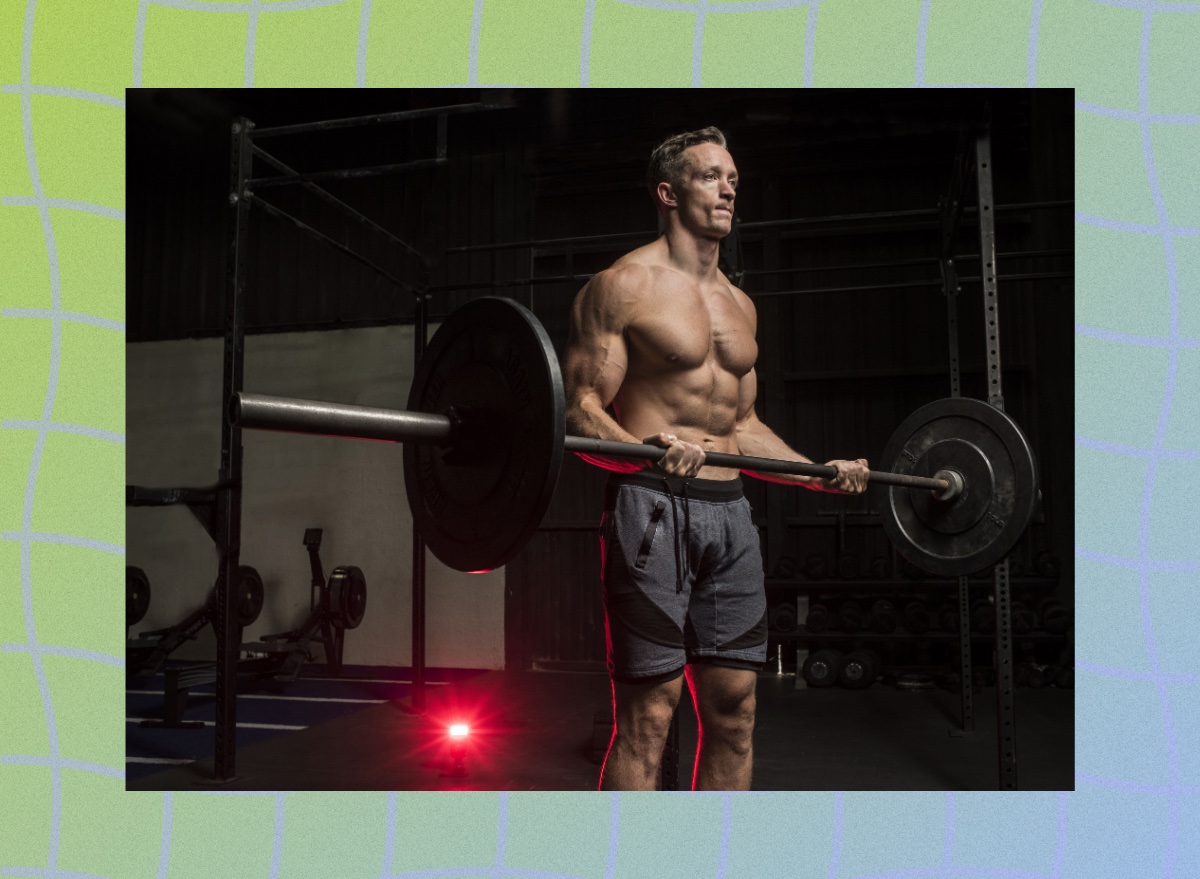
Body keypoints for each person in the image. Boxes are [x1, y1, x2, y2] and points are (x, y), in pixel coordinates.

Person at [563, 126, 870, 791]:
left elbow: (743, 426)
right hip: (652, 511)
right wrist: (643, 451)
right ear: (668, 192)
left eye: (732, 177)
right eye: (710, 175)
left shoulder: (740, 304)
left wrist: (818, 472)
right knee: (649, 716)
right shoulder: (623, 286)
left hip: (731, 518)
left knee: (735, 711)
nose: (729, 187)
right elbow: (581, 409)